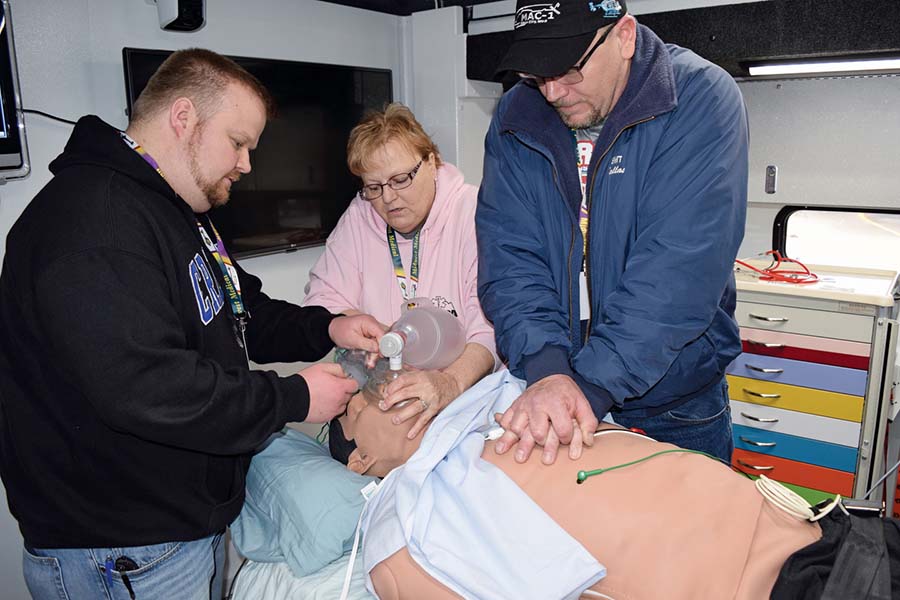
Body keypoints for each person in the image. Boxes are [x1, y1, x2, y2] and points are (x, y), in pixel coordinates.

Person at [0, 48, 384, 599]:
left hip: (176, 529)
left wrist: (329, 328)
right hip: (123, 549)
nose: (248, 163)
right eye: (238, 142)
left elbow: (239, 307)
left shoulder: (180, 212)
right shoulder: (96, 224)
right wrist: (293, 398)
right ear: (183, 118)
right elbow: (149, 387)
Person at [331, 373, 898, 600]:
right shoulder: (399, 538)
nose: (382, 393)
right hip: (779, 586)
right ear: (359, 458)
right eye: (360, 405)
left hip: (808, 525)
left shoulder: (487, 403)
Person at [476, 0, 748, 465]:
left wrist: (588, 388)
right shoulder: (515, 114)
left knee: (684, 538)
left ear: (623, 35)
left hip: (674, 404)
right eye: (536, 75)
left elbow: (676, 273)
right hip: (553, 387)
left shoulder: (699, 97)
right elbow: (511, 257)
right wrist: (546, 370)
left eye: (568, 68)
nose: (553, 91)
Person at [304, 103, 497, 439]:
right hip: (387, 387)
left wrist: (449, 381)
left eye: (400, 179)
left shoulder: (474, 213)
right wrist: (371, 336)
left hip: (462, 389)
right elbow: (322, 301)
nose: (388, 199)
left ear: (432, 162)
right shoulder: (361, 215)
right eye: (374, 187)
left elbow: (491, 327)